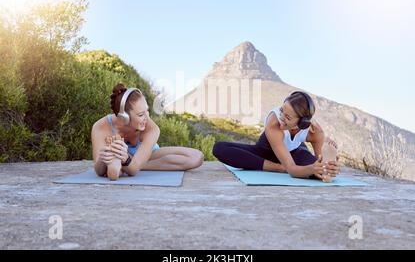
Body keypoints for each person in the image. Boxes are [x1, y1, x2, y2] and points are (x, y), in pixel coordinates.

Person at [212, 91, 341, 181]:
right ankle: (278, 167)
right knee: (219, 148)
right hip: (264, 153)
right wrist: (288, 168)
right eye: (281, 110)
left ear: (301, 123)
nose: (281, 117)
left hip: (294, 153)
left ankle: (327, 167)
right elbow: (292, 170)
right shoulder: (273, 124)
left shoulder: (315, 132)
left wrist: (325, 167)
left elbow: (319, 162)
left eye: (288, 117)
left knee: (317, 170)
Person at [91, 83, 204, 181]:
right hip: (118, 155)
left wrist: (127, 161)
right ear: (124, 117)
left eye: (147, 111)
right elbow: (99, 170)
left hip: (148, 156)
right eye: (141, 115)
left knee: (196, 157)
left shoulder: (152, 128)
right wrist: (105, 155)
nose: (147, 117)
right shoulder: (101, 127)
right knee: (111, 165)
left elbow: (133, 170)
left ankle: (121, 165)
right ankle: (117, 163)